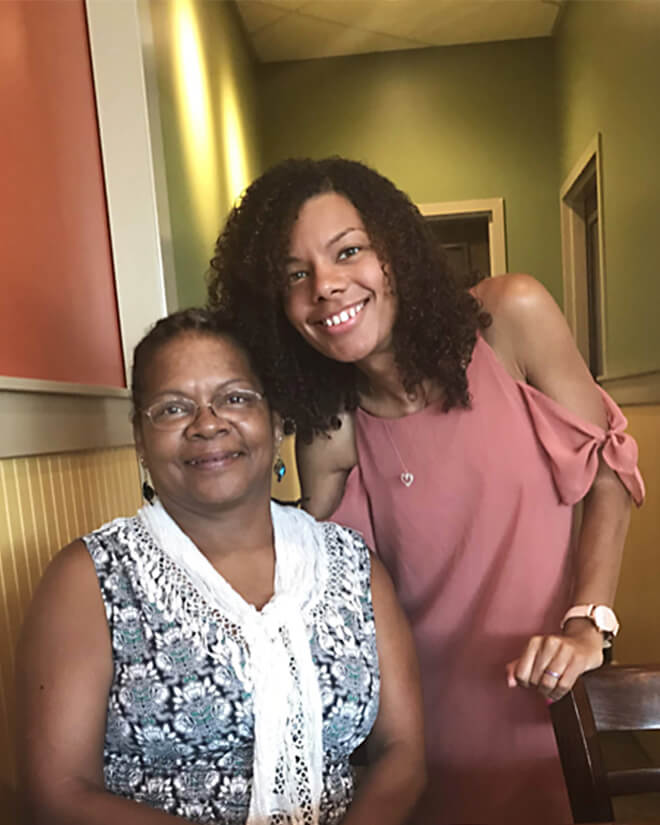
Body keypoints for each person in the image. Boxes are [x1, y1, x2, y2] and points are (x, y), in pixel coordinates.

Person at [207, 158, 645, 825]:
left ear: (396, 254)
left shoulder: (510, 320)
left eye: (347, 251)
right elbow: (306, 578)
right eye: (296, 274)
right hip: (417, 727)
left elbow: (608, 464)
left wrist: (591, 620)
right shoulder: (332, 423)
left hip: (546, 698)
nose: (325, 286)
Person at [15, 308, 425, 825]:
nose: (207, 423)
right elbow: (56, 793)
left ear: (277, 419)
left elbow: (403, 751)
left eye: (235, 398)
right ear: (140, 438)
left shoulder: (351, 565)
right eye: (171, 409)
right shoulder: (90, 578)